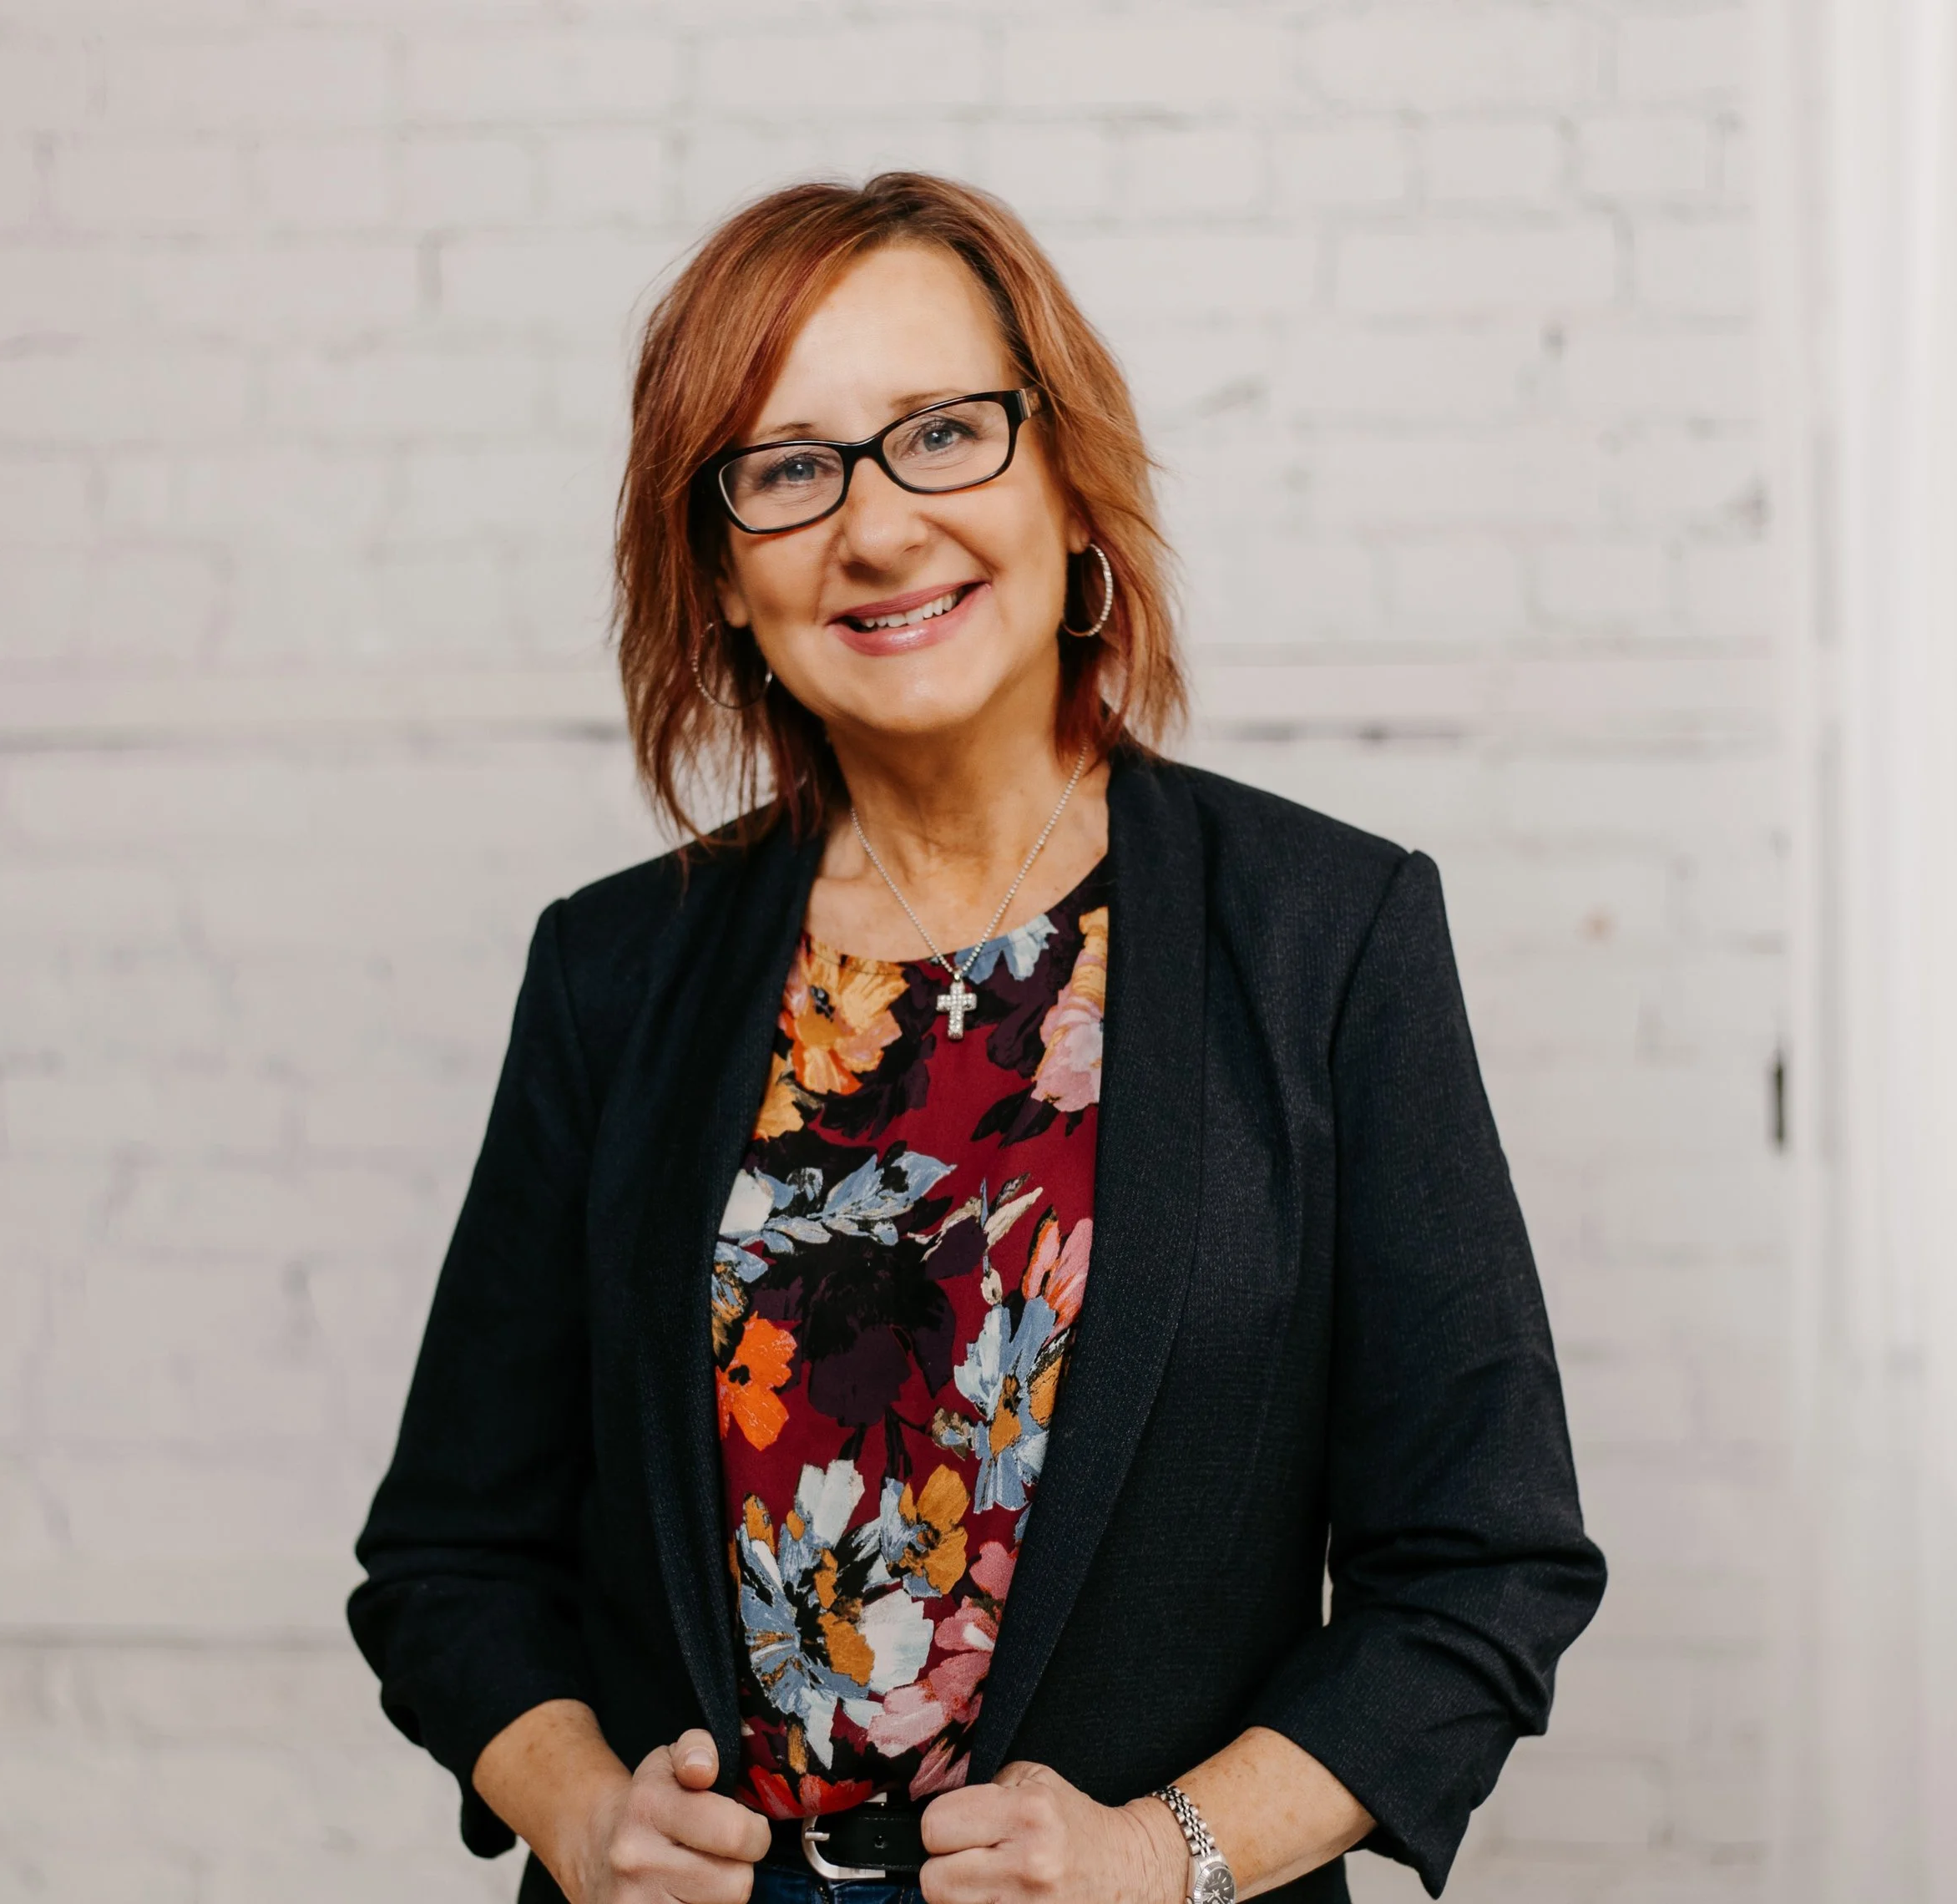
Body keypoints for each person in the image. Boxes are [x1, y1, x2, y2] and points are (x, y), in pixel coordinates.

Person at [348, 173, 1605, 1904]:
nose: (873, 529)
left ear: (1068, 482)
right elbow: (448, 1559)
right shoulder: (612, 971)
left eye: (941, 432)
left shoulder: (1328, 934)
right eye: (785, 470)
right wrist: (580, 1814)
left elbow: (1481, 1569)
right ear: (716, 574)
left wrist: (1158, 1858)